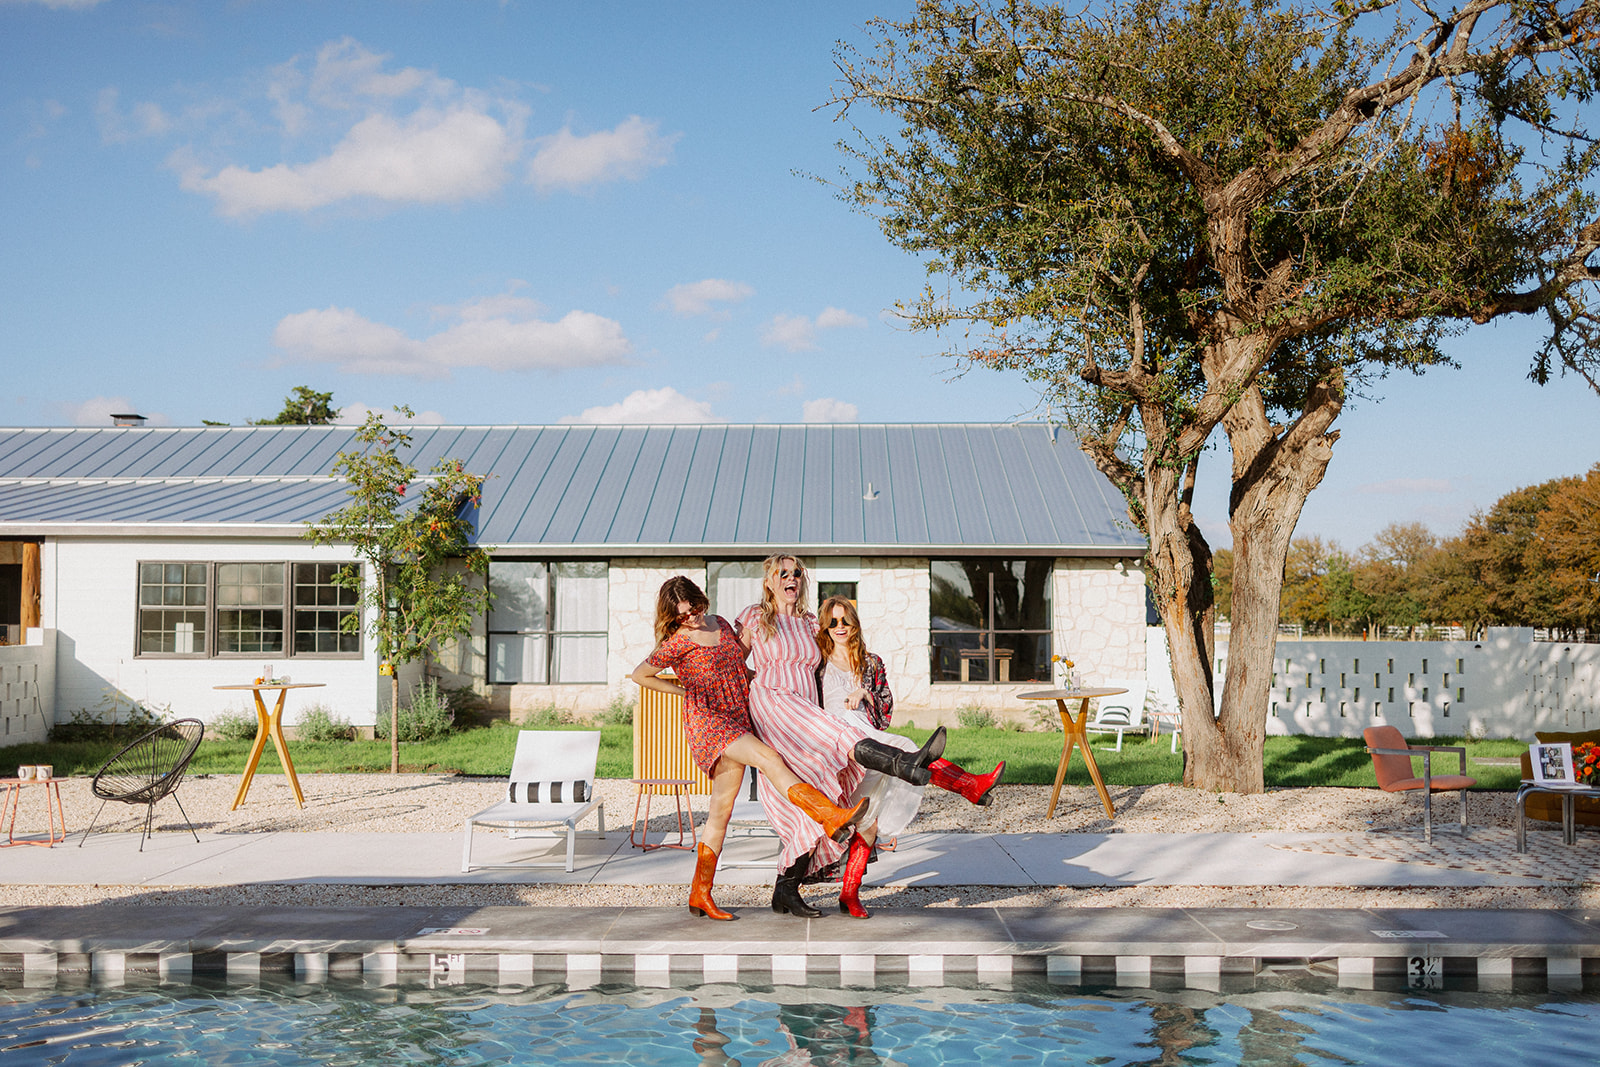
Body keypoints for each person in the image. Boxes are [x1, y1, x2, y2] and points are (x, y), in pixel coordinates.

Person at [631, 576, 868, 922]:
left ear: (701, 601)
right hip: (710, 721)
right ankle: (829, 815)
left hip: (738, 714)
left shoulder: (721, 624)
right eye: (683, 615)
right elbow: (641, 675)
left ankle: (700, 893)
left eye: (694, 609)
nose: (691, 618)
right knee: (769, 757)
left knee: (720, 812)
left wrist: (764, 677)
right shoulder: (677, 641)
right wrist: (686, 693)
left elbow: (739, 666)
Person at [736, 554, 946, 918]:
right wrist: (756, 683)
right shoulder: (755, 616)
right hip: (775, 705)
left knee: (816, 795)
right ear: (769, 581)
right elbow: (734, 663)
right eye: (782, 573)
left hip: (805, 708)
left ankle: (785, 890)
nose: (791, 578)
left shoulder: (807, 622)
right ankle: (904, 763)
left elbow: (837, 652)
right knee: (840, 733)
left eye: (796, 573)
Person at [815, 594, 1006, 918]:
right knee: (905, 746)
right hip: (840, 745)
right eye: (832, 622)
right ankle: (969, 785)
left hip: (869, 739)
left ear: (854, 623)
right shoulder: (817, 661)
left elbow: (885, 707)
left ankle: (849, 895)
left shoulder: (869, 662)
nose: (839, 627)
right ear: (824, 626)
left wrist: (865, 694)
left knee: (869, 824)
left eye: (845, 620)